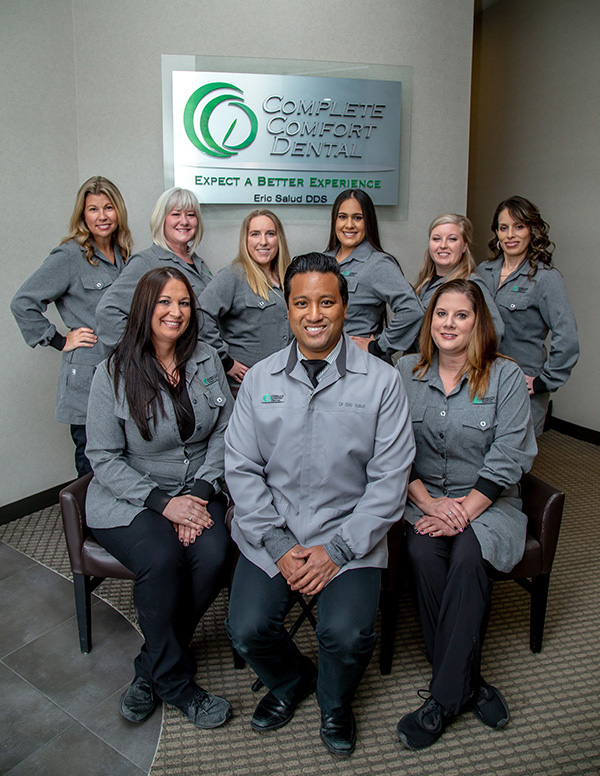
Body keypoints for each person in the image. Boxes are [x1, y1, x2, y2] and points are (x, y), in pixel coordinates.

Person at [225, 253, 415, 756]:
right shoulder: (259, 380)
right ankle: (292, 682)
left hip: (350, 534)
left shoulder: (382, 382)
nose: (314, 314)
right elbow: (241, 469)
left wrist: (337, 550)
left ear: (345, 307)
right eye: (301, 303)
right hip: (273, 533)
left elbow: (390, 481)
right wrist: (281, 545)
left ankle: (334, 701)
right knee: (244, 630)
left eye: (326, 302)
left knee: (347, 635)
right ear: (287, 310)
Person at [85, 267, 233, 730]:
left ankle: (150, 666)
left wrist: (203, 493)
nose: (176, 312)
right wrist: (163, 504)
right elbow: (103, 458)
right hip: (129, 498)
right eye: (165, 303)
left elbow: (227, 431)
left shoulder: (207, 359)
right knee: (163, 557)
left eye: (184, 303)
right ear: (146, 308)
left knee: (213, 553)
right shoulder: (113, 370)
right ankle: (174, 683)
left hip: (196, 490)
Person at [395, 279, 537, 751]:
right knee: (421, 552)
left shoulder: (506, 376)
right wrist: (431, 504)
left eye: (460, 315)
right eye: (441, 314)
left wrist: (463, 511)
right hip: (424, 502)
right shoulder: (403, 373)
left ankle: (443, 697)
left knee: (468, 557)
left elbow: (509, 455)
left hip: (491, 504)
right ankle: (469, 684)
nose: (448, 324)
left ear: (478, 323)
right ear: (429, 320)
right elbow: (393, 453)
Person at [11, 176, 132, 476]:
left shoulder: (124, 256)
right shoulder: (68, 256)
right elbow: (22, 302)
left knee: (122, 458)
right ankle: (82, 523)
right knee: (92, 463)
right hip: (87, 378)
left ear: (119, 212)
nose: (102, 216)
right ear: (83, 215)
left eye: (108, 208)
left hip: (124, 372)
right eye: (93, 209)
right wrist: (59, 340)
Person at [479, 196, 579, 436]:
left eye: (519, 226)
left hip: (523, 385)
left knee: (514, 458)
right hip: (482, 381)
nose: (510, 235)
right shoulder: (483, 272)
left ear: (532, 231)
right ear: (497, 233)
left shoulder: (545, 278)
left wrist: (545, 381)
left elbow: (568, 337)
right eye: (504, 228)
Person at [96, 187, 212, 347]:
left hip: (200, 361)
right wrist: (144, 353)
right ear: (161, 219)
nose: (184, 221)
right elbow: (107, 311)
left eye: (190, 215)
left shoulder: (199, 264)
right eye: (176, 214)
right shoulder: (145, 262)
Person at [324, 189, 423, 360]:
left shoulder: (378, 263)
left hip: (359, 364)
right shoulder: (323, 262)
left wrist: (377, 346)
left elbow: (413, 310)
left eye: (357, 218)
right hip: (325, 361)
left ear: (368, 222)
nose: (349, 225)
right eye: (342, 217)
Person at [198, 209, 292, 385]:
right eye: (255, 234)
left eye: (270, 234)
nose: (263, 242)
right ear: (245, 240)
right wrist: (226, 362)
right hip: (246, 385)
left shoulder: (290, 278)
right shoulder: (233, 275)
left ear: (279, 239)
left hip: (284, 382)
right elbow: (199, 315)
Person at [413, 213, 504, 343]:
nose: (443, 245)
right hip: (419, 361)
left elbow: (495, 331)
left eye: (452, 239)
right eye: (436, 239)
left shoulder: (471, 283)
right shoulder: (425, 283)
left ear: (465, 246)